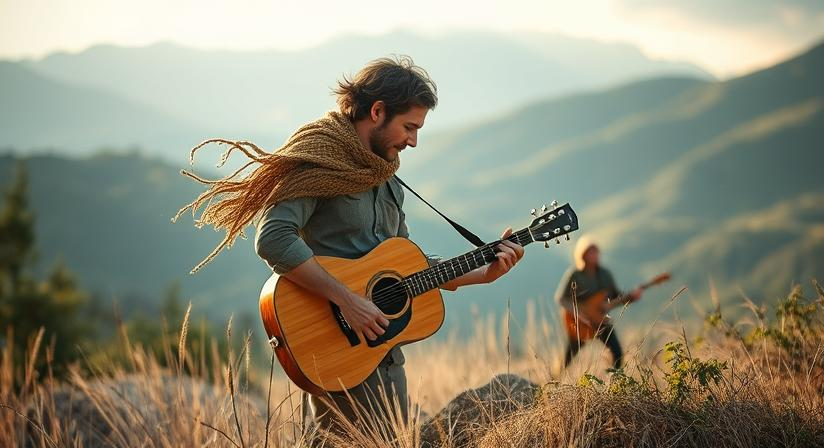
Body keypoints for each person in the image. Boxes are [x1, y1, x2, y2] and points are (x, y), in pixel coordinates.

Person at [175, 56, 524, 442]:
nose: (413, 141)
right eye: (409, 127)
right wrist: (348, 301)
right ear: (377, 111)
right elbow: (273, 238)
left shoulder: (385, 177)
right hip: (335, 348)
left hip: (384, 355)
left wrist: (483, 273)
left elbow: (409, 267)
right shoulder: (317, 162)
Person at [555, 235, 641, 370]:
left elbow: (616, 296)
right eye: (591, 252)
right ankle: (554, 382)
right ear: (582, 254)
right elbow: (561, 298)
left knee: (617, 353)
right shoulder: (575, 275)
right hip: (579, 324)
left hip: (600, 320)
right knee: (568, 358)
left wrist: (631, 297)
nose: (594, 255)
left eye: (596, 252)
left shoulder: (605, 274)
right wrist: (578, 313)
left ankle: (615, 382)